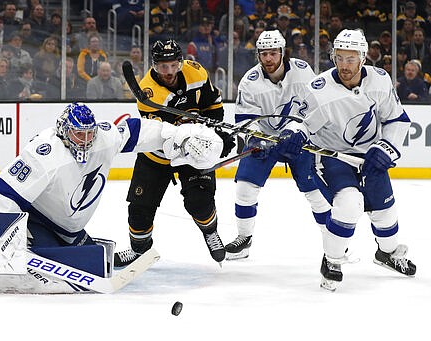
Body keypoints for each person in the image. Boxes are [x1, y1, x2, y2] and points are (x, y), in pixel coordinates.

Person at [0, 102, 228, 294]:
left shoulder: (102, 138)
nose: (84, 140)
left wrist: (179, 137)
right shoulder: (46, 153)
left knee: (96, 263)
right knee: (48, 275)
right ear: (63, 130)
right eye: (77, 134)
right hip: (35, 221)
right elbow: (1, 193)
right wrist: (10, 243)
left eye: (88, 134)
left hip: (70, 228)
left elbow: (138, 130)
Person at [278, 29, 416, 291]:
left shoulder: (379, 80)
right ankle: (332, 260)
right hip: (333, 158)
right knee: (350, 204)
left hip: (371, 156)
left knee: (386, 212)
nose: (344, 65)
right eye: (339, 58)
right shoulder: (319, 88)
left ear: (363, 58)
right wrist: (293, 135)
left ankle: (387, 253)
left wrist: (385, 147)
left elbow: (396, 119)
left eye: (351, 59)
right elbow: (301, 123)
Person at [113, 39, 235, 268]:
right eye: (162, 66)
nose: (168, 72)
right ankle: (139, 251)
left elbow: (213, 105)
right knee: (139, 210)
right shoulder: (148, 91)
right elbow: (162, 135)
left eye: (173, 65)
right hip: (157, 154)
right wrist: (195, 135)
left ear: (181, 62)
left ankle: (210, 231)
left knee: (200, 203)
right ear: (154, 66)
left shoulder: (196, 72)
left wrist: (217, 133)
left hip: (194, 152)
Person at [224, 30, 331, 260]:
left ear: (283, 53)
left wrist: (296, 133)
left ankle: (333, 245)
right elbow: (245, 120)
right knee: (245, 188)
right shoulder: (250, 82)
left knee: (316, 193)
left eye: (273, 53)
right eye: (264, 54)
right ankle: (244, 240)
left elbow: (316, 109)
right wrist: (255, 139)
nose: (269, 59)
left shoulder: (303, 72)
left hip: (299, 139)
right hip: (265, 140)